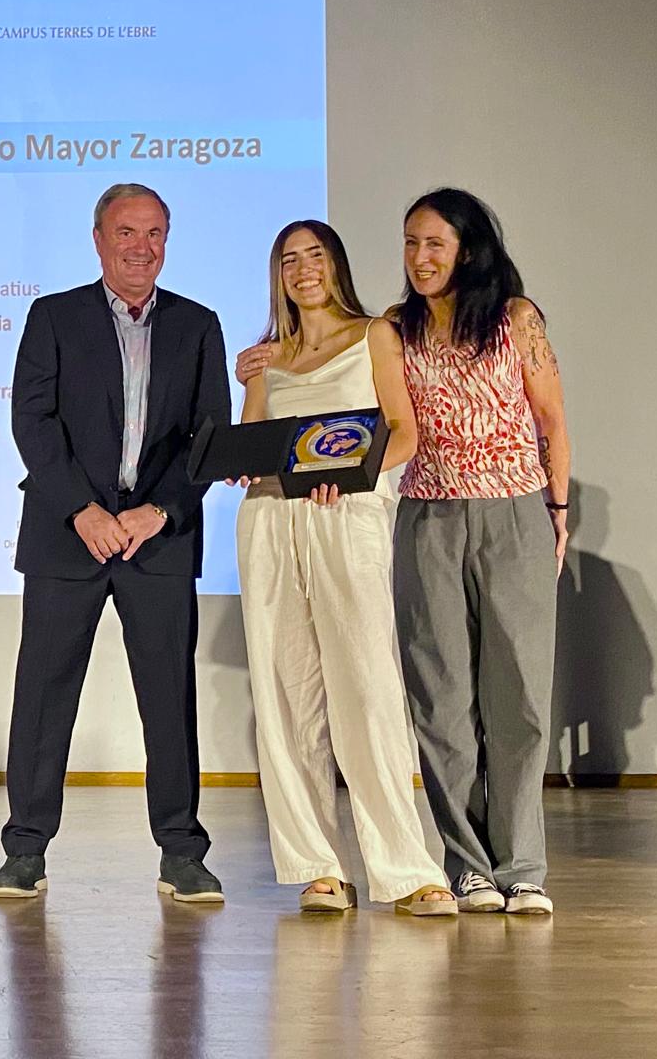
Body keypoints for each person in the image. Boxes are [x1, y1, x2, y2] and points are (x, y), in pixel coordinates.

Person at [0, 183, 231, 902]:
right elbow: (33, 421)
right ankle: (25, 849)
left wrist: (162, 510)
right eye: (126, 232)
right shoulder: (54, 316)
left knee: (168, 697)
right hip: (69, 537)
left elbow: (209, 435)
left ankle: (182, 851)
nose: (141, 247)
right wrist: (82, 510)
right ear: (99, 240)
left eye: (154, 233)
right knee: (44, 694)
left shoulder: (198, 324)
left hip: (157, 540)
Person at [231, 221, 455, 916]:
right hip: (272, 520)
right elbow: (255, 442)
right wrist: (238, 457)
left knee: (368, 687)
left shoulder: (375, 334)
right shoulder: (269, 357)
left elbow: (404, 432)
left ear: (337, 265)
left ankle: (408, 870)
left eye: (315, 256)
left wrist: (350, 474)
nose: (303, 269)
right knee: (286, 694)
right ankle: (318, 867)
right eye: (289, 260)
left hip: (347, 516)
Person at [392, 188, 570, 916]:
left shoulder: (514, 319)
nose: (420, 257)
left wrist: (557, 511)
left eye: (434, 243)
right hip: (428, 516)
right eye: (411, 243)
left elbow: (552, 421)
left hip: (514, 513)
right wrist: (266, 361)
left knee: (519, 694)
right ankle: (467, 865)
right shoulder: (394, 328)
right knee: (441, 699)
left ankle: (522, 867)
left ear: (467, 249)